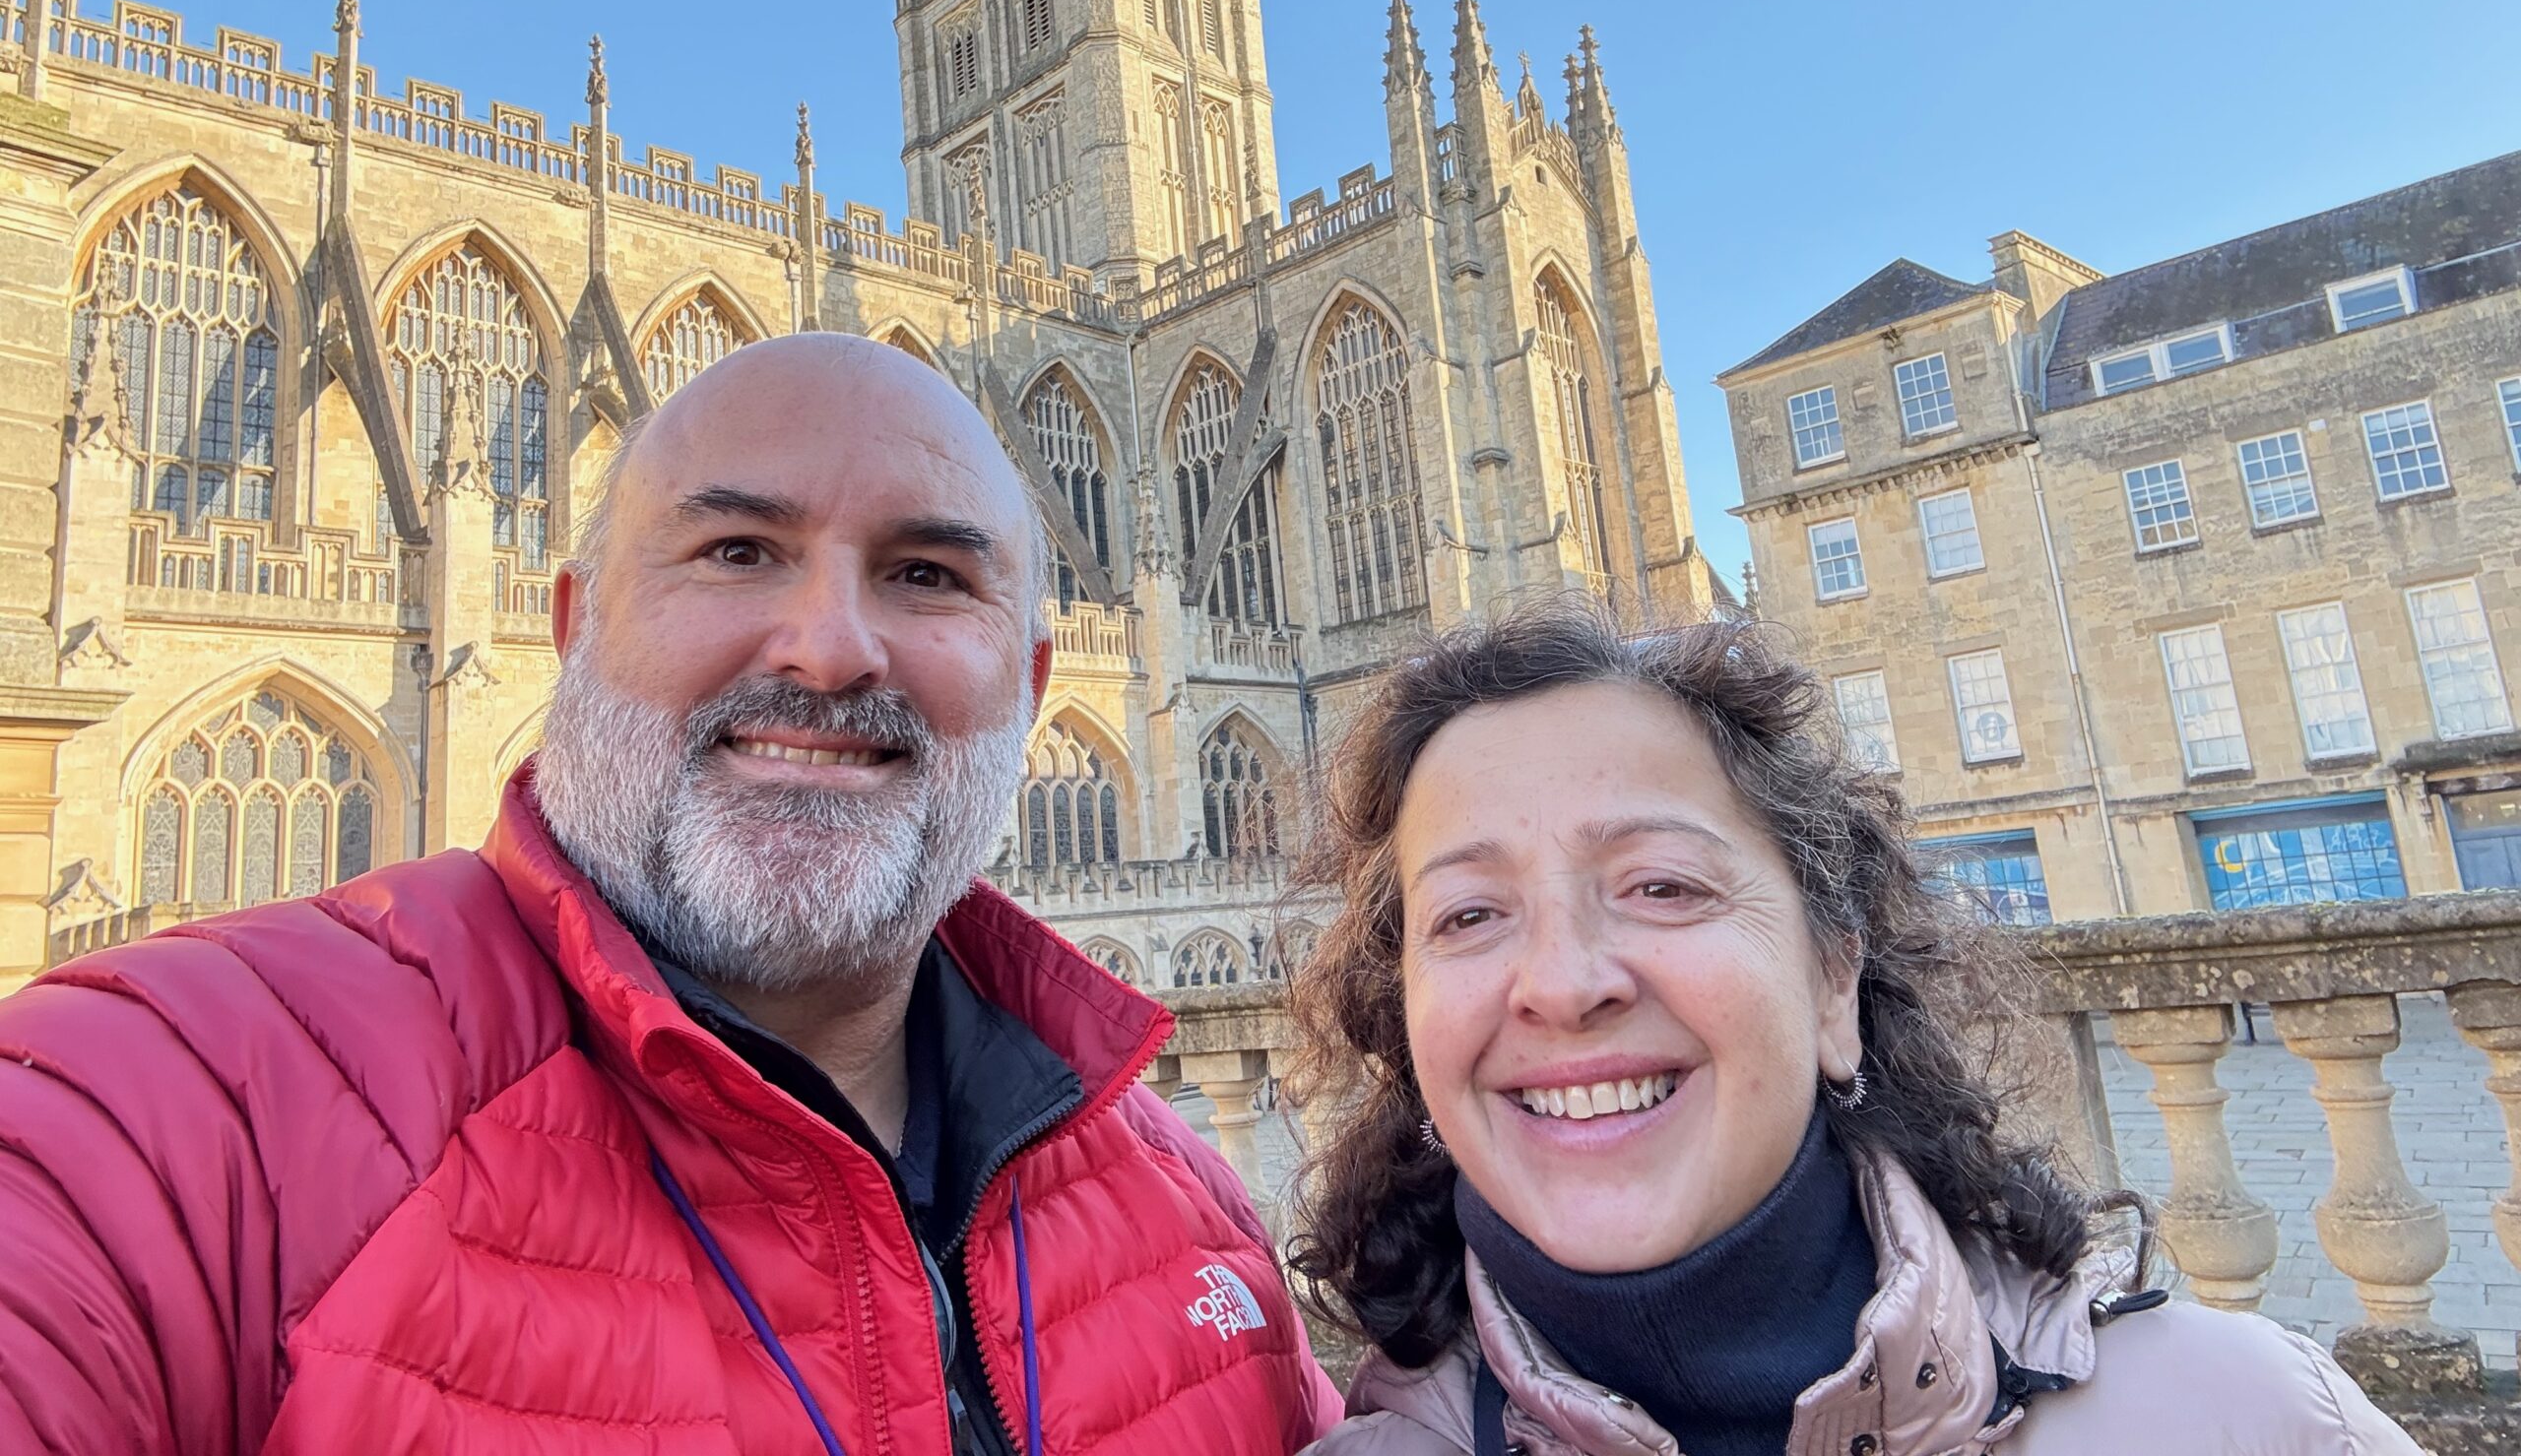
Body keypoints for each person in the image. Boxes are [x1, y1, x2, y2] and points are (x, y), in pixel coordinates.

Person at [0, 334, 1340, 1456]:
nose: (829, 648)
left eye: (926, 574)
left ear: (1036, 688)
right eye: (737, 551)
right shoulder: (182, 1102)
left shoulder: (1194, 1218)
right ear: (569, 625)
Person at [1285, 601, 2418, 1456]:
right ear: (1409, 1027)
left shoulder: (2245, 1418)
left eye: (1663, 886)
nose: (1562, 983)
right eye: (1470, 914)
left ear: (1835, 981)